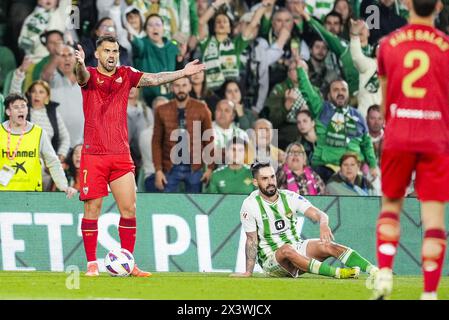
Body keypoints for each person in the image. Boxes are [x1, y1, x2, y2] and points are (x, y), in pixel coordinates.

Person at [74, 35, 206, 277]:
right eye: (106, 51)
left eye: (115, 50)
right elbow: (80, 75)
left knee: (129, 209)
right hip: (94, 155)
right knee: (93, 209)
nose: (112, 55)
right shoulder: (90, 75)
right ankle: (92, 263)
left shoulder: (127, 73)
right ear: (97, 54)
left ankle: (128, 262)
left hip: (121, 155)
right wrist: (80, 64)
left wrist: (183, 72)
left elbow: (155, 79)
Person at [372, 0, 449, 300]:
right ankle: (429, 293)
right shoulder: (445, 47)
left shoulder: (388, 45)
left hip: (399, 135)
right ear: (439, 6)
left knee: (391, 208)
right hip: (435, 139)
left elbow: (384, 97)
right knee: (434, 221)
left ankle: (384, 278)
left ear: (406, 4)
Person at [231, 161, 378, 279]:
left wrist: (323, 224)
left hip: (297, 249)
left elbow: (319, 214)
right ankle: (338, 273)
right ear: (255, 182)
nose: (270, 182)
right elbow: (251, 240)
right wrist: (248, 272)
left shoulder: (290, 197)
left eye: (272, 177)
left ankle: (373, 270)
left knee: (328, 245)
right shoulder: (250, 204)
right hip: (272, 260)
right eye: (265, 179)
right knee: (286, 250)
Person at [0, 93, 77, 197]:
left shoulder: (39, 133)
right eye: (16, 107)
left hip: (32, 194)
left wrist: (64, 186)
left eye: (23, 106)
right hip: (4, 194)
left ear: (27, 109)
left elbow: (52, 161)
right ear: (8, 111)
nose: (21, 110)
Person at [152, 77, 214, 193]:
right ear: (171, 88)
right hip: (169, 166)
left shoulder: (201, 108)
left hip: (194, 166)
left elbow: (209, 139)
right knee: (166, 204)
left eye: (184, 85)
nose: (181, 89)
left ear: (190, 87)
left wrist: (210, 168)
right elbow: (156, 142)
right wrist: (158, 170)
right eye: (177, 85)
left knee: (195, 206)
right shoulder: (161, 110)